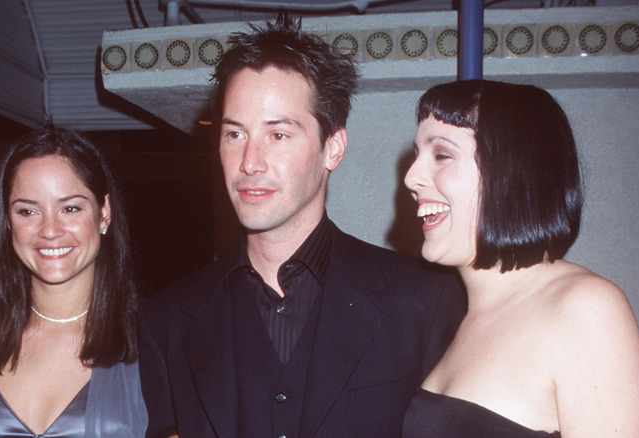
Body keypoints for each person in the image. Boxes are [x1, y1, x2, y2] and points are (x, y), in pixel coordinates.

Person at [138, 14, 464, 438]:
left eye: (278, 135)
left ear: (333, 147)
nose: (249, 163)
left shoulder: (424, 300)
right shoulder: (167, 321)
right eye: (235, 134)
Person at [402, 80, 639, 437]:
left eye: (441, 155)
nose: (411, 177)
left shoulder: (586, 308)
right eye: (416, 155)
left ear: (511, 170)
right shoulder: (454, 311)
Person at [0, 127, 147, 437]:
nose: (49, 230)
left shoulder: (151, 341)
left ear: (104, 214)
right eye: (28, 211)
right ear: (7, 220)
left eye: (70, 208)